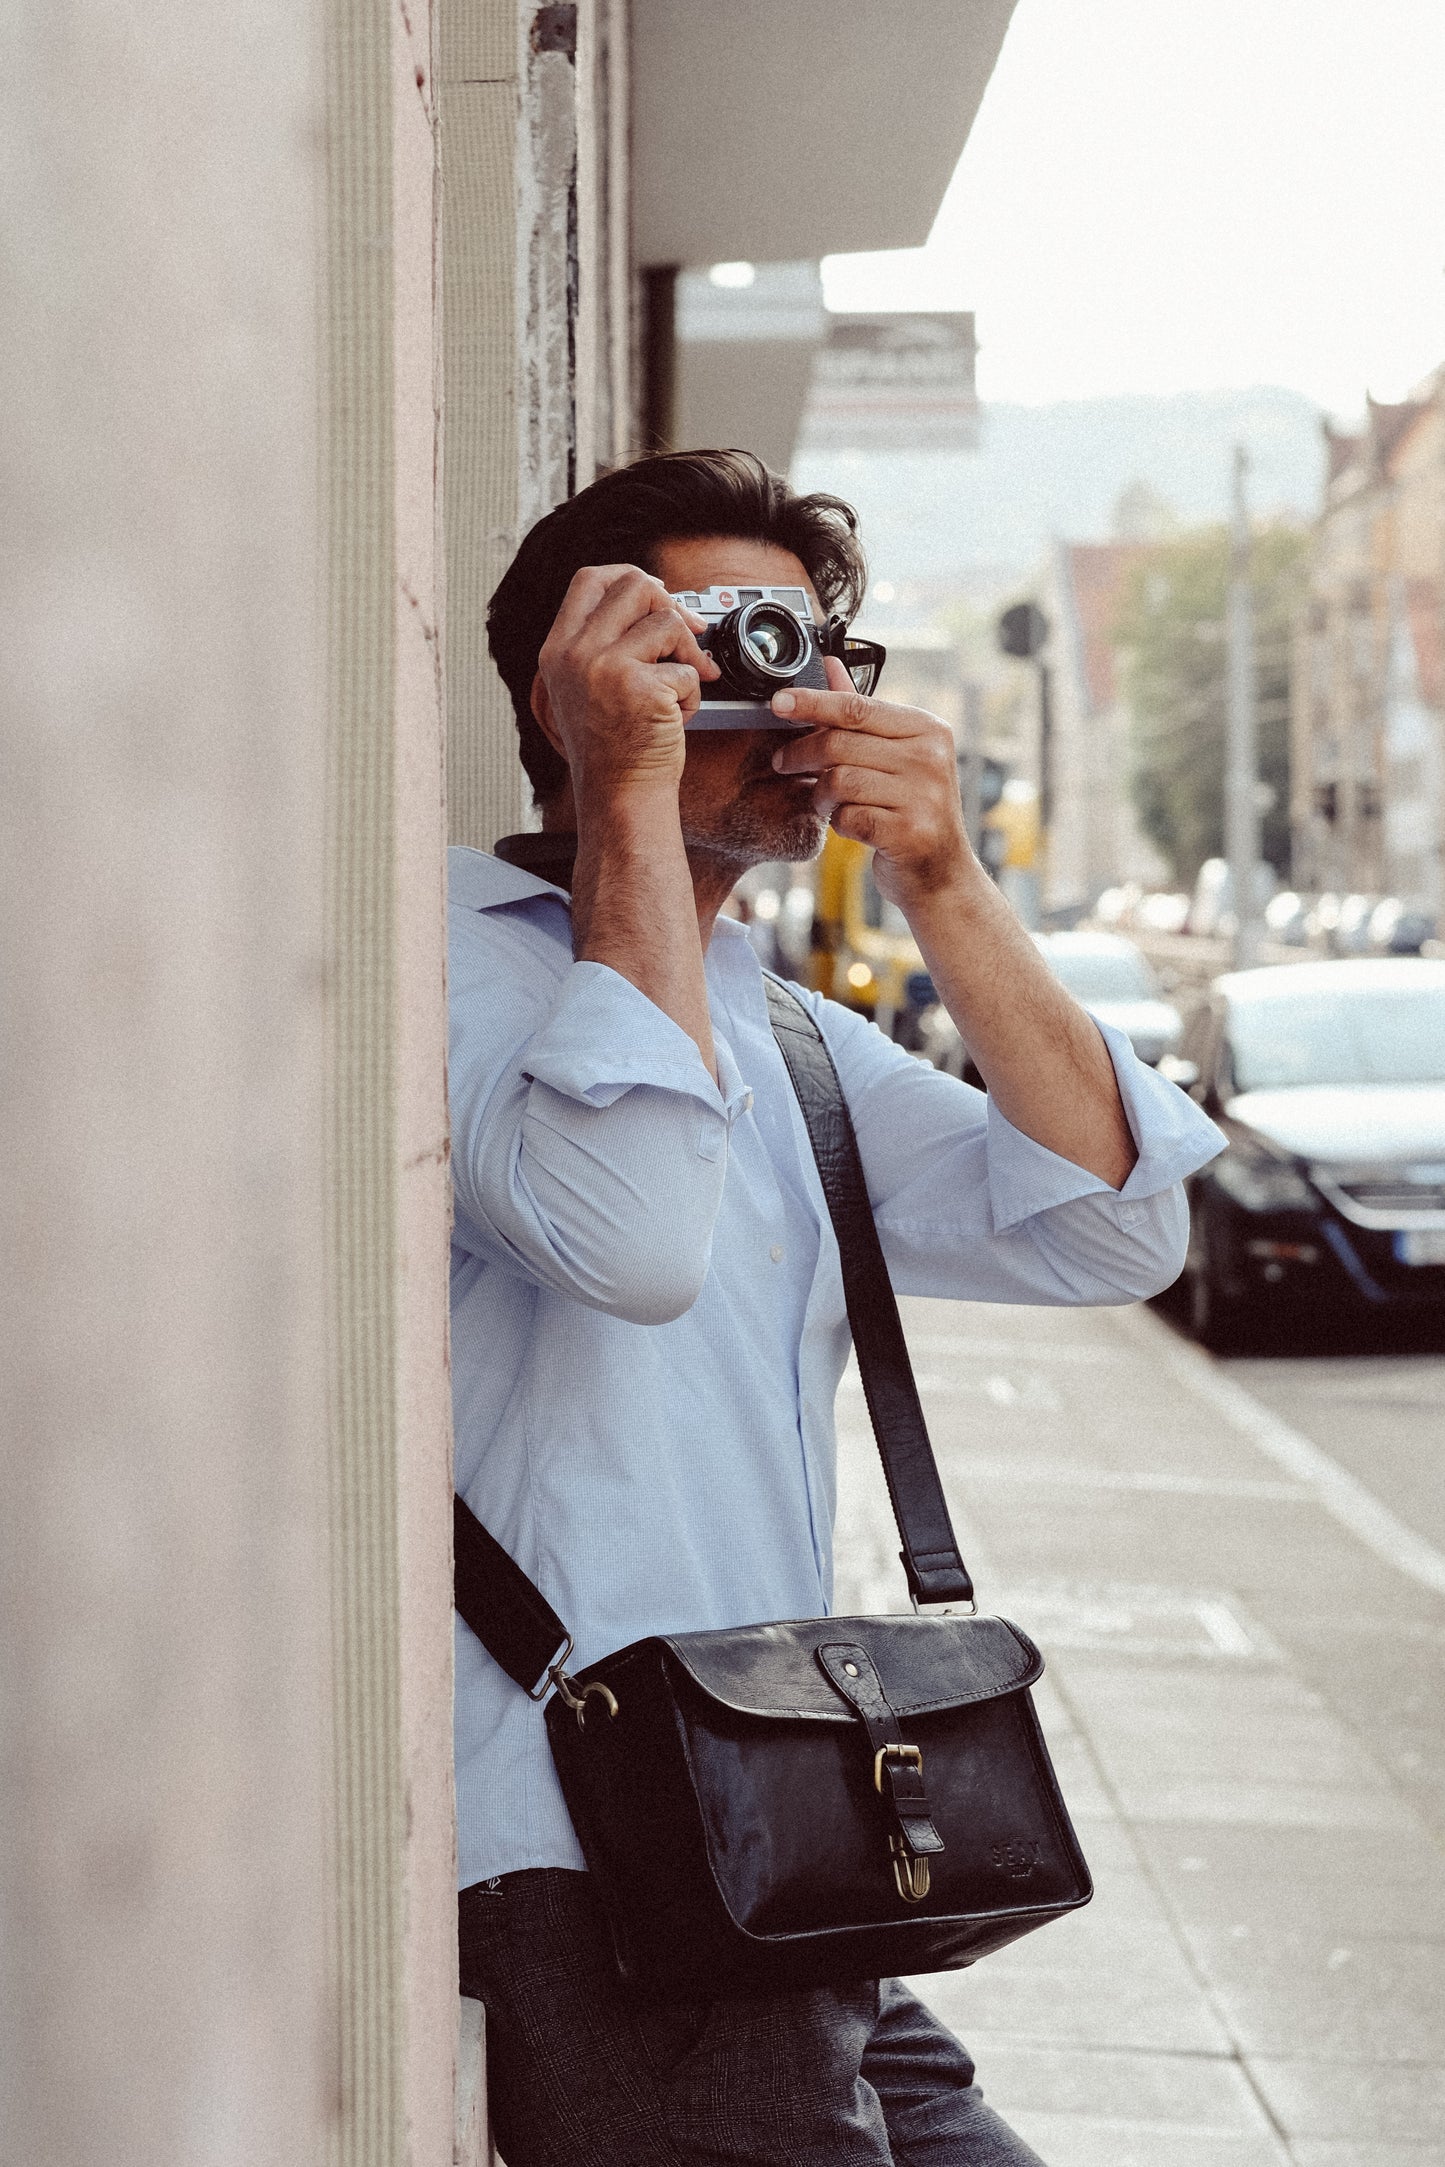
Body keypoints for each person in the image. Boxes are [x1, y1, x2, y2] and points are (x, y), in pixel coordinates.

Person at [450, 450, 1222, 2166]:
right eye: (723, 650)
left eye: (813, 648)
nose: (789, 703)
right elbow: (635, 1238)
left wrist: (942, 876)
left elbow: (1111, 1232)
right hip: (577, 1852)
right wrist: (630, 796)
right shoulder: (448, 968)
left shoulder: (775, 1023)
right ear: (575, 683)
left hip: (776, 1820)